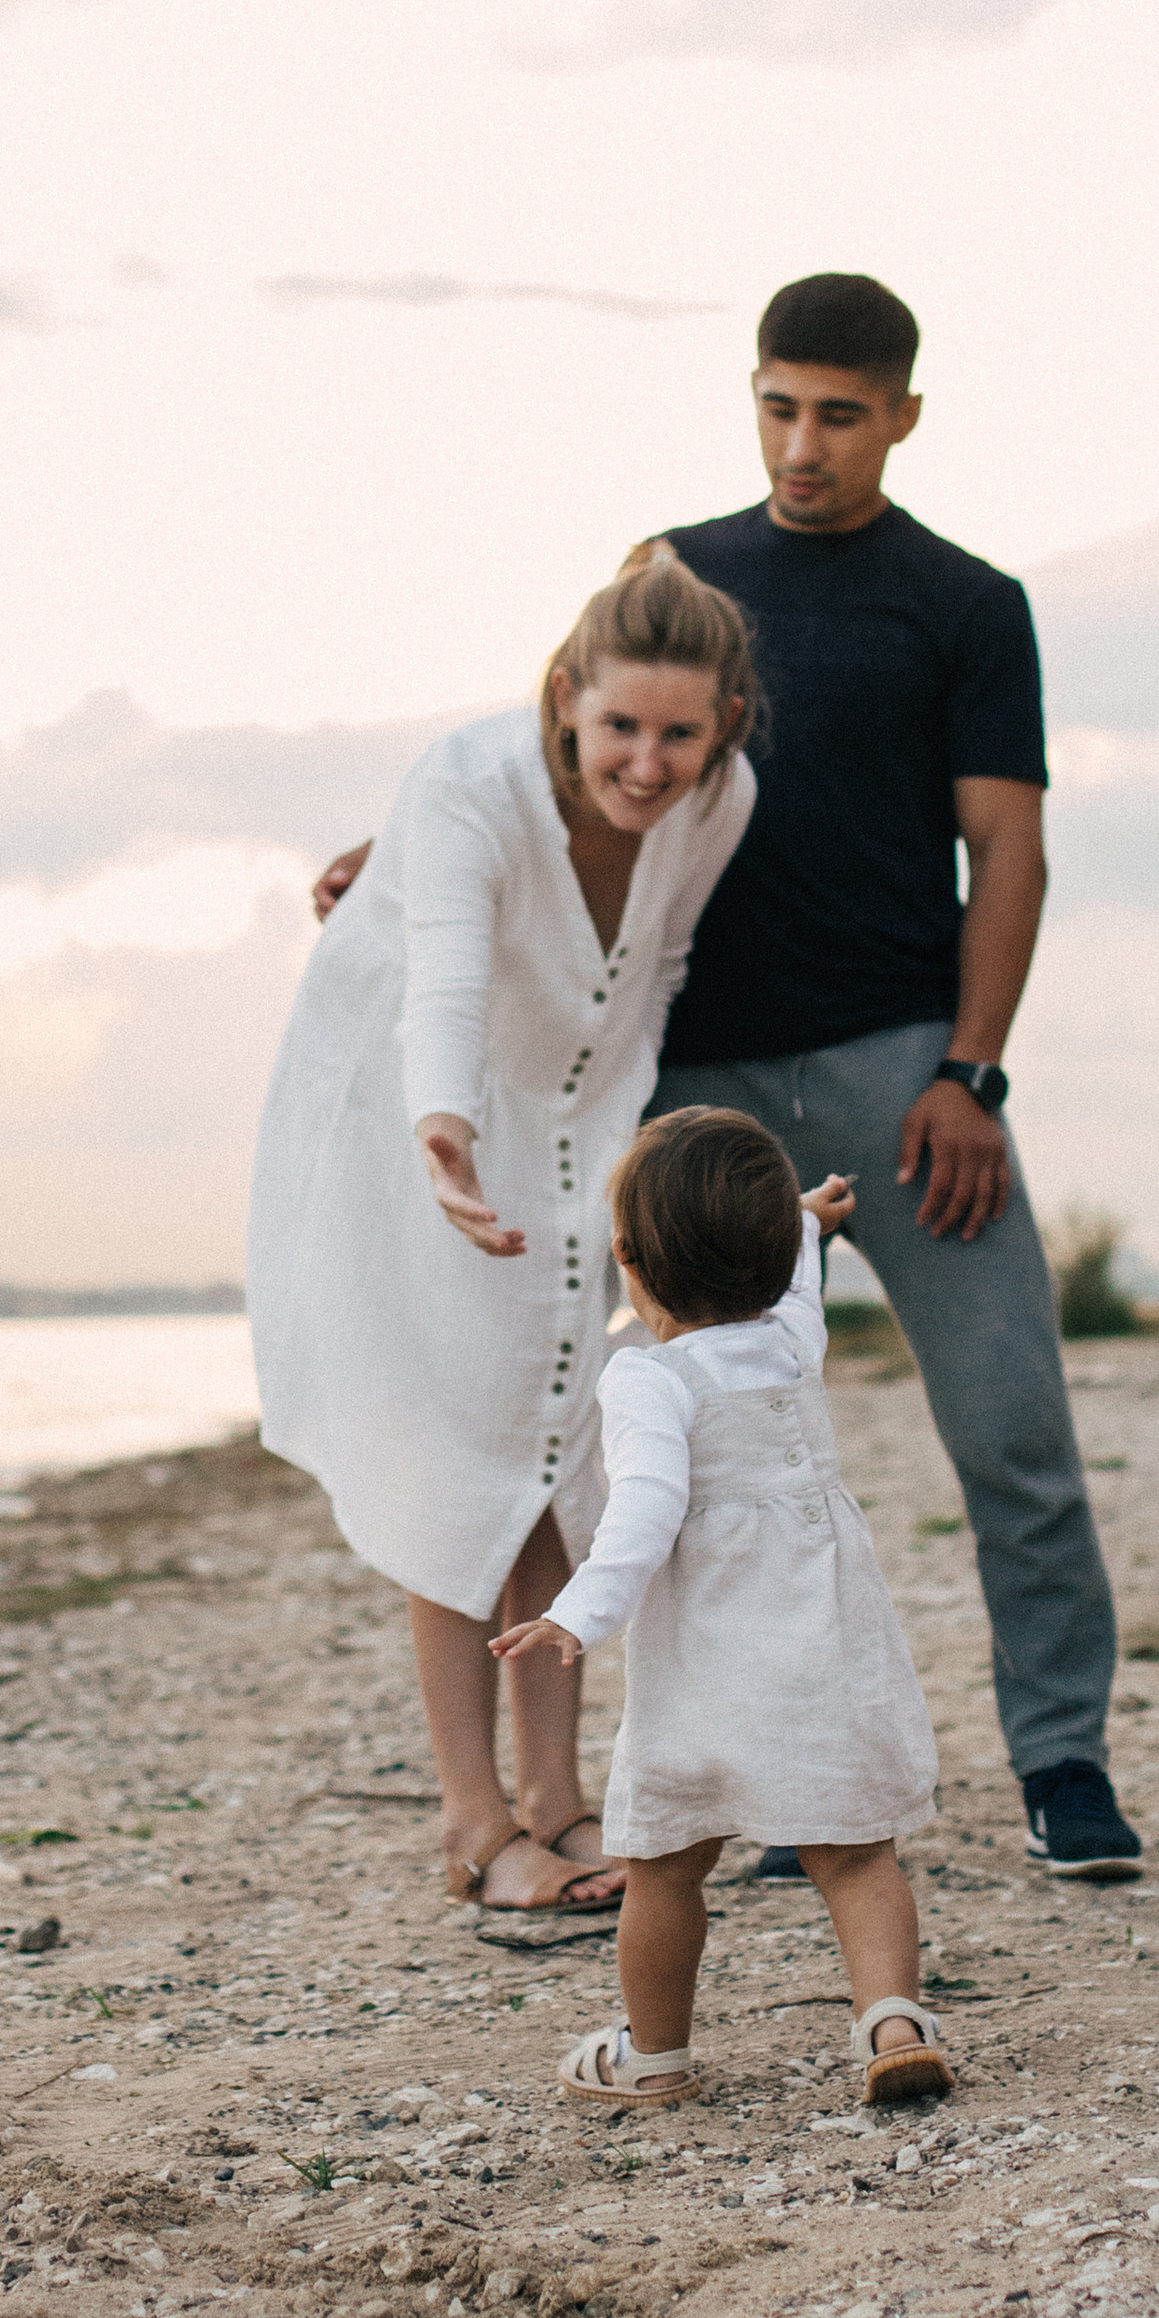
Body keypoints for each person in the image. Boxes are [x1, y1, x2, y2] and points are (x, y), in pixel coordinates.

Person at [316, 269, 1140, 1883]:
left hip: (908, 1071)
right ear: (749, 395)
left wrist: (974, 1071)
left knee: (1012, 1428)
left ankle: (1062, 1761)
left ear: (903, 415)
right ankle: (761, 1779)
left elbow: (1009, 848)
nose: (804, 443)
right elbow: (573, 745)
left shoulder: (968, 606)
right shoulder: (677, 570)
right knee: (698, 1459)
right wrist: (407, 854)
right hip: (689, 1089)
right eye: (778, 405)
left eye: (841, 413)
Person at [250, 550, 760, 1920]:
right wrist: (443, 1128)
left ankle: (563, 1798)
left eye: (678, 733)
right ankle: (477, 1823)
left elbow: (653, 977)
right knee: (454, 1444)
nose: (646, 765)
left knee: (556, 1438)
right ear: (564, 702)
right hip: (399, 1117)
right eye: (620, 729)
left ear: (723, 726)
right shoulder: (471, 785)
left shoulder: (721, 800)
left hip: (569, 1125)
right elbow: (446, 983)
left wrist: (613, 1146)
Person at [492, 1106, 953, 2111]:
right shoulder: (792, 1344)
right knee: (856, 1854)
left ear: (627, 1256)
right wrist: (804, 1226)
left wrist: (578, 1612)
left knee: (662, 1867)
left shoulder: (647, 1380)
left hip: (708, 1670)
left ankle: (654, 2056)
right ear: (768, 1253)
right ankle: (891, 2018)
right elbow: (789, 1279)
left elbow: (645, 1510)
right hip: (821, 1646)